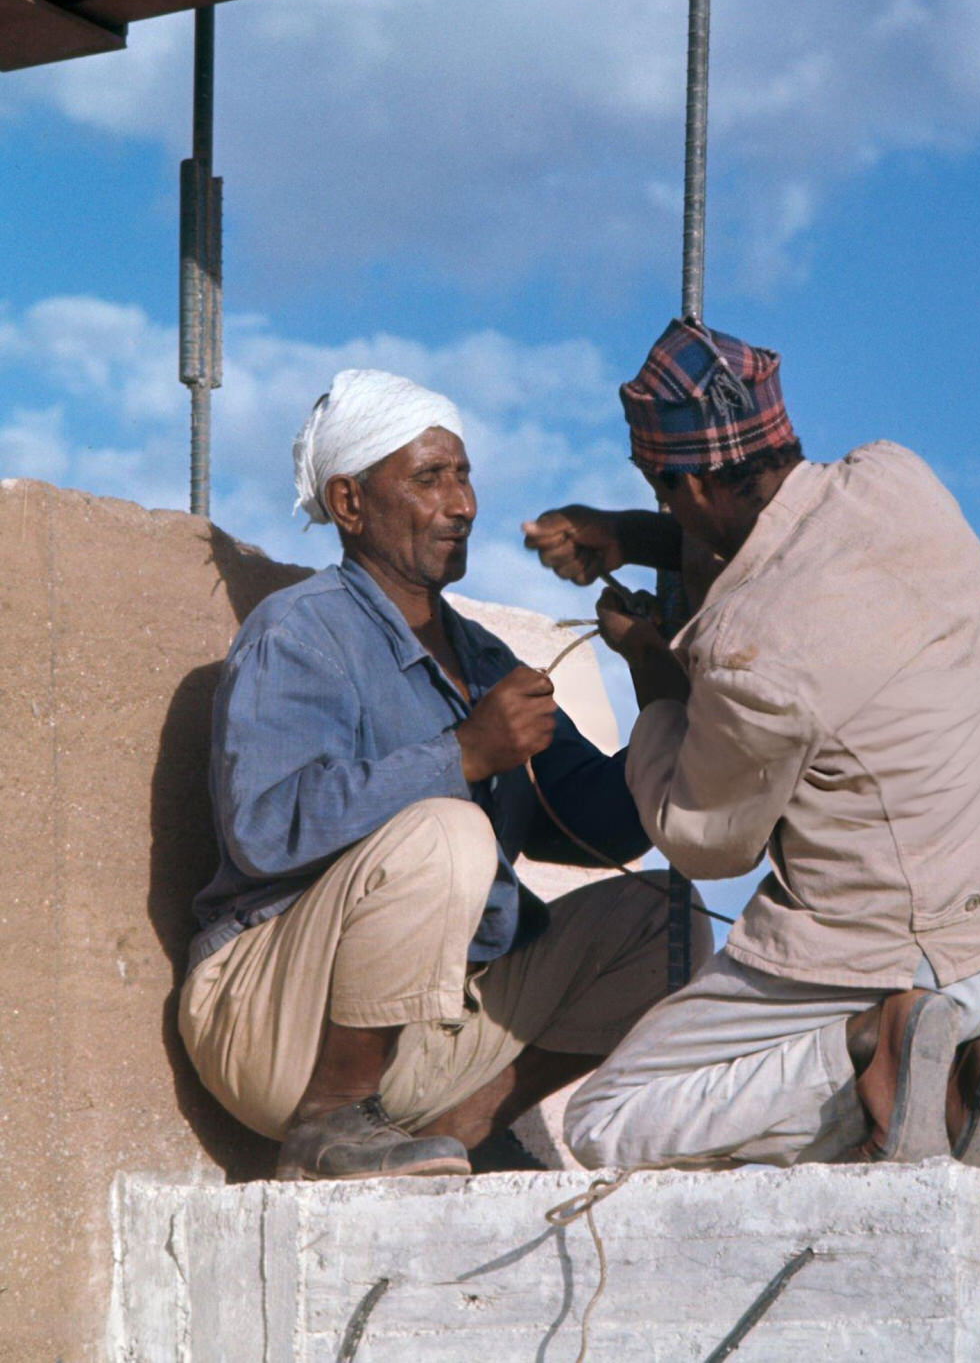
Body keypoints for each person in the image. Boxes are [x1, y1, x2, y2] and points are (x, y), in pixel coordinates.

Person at [523, 320, 980, 1172]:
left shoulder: (755, 653)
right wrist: (634, 533)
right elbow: (780, 541)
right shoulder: (897, 479)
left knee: (609, 1119)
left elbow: (704, 838)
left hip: (902, 962)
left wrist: (648, 665)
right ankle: (968, 1067)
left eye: (663, 490)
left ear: (692, 486)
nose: (667, 507)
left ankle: (871, 1057)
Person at [179, 368, 706, 1182]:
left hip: (427, 1027)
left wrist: (650, 666)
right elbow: (261, 825)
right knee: (447, 828)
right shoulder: (300, 631)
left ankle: (468, 1124)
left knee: (665, 916)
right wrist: (461, 753)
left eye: (463, 474)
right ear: (350, 504)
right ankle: (326, 1126)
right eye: (430, 478)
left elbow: (612, 825)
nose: (462, 503)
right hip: (273, 1018)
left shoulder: (485, 659)